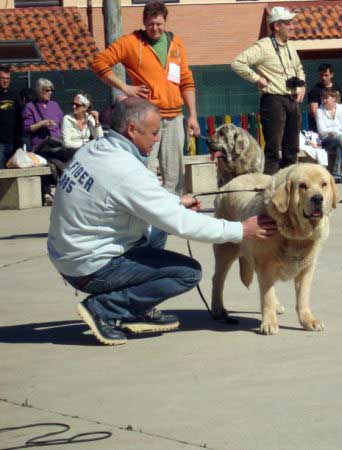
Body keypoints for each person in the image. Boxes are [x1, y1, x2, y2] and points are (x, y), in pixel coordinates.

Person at [47, 98, 278, 346]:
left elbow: (133, 198)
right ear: (132, 130)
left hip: (70, 252)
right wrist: (241, 229)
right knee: (187, 273)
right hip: (87, 267)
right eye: (154, 133)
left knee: (156, 227)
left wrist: (174, 202)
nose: (157, 139)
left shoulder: (97, 148)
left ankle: (135, 307)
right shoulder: (124, 169)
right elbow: (181, 224)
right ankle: (104, 309)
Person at [91, 0, 199, 195]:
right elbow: (99, 62)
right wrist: (125, 87)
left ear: (165, 22)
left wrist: (192, 115)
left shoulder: (176, 44)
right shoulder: (131, 42)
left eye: (158, 24)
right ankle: (142, 221)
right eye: (150, 24)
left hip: (175, 118)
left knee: (175, 178)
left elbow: (186, 81)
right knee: (142, 173)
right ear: (144, 22)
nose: (154, 28)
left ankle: (172, 221)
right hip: (146, 120)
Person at [231, 7, 306, 175]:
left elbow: (299, 68)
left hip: (292, 100)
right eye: (288, 23)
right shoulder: (263, 46)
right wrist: (257, 78)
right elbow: (237, 63)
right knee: (273, 148)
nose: (292, 26)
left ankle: (289, 185)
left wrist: (302, 85)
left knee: (292, 148)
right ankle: (268, 188)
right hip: (273, 100)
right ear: (277, 25)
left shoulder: (290, 46)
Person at [22, 78, 64, 205]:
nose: (50, 92)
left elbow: (62, 122)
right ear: (39, 91)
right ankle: (48, 191)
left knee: (62, 161)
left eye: (51, 90)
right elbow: (27, 128)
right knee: (49, 163)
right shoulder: (30, 106)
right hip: (41, 145)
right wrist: (42, 124)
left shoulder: (55, 105)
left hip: (56, 143)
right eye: (47, 90)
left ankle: (56, 191)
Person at [307, 63, 342, 131]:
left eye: (326, 75)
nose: (323, 78)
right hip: (319, 127)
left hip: (337, 126)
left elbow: (341, 106)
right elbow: (314, 111)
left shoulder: (337, 88)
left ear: (332, 75)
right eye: (321, 75)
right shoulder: (315, 90)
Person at [0, 65, 22, 168]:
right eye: (2, 78)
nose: (5, 81)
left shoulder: (14, 95)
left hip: (13, 142)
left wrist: (19, 139)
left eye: (7, 79)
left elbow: (19, 117)